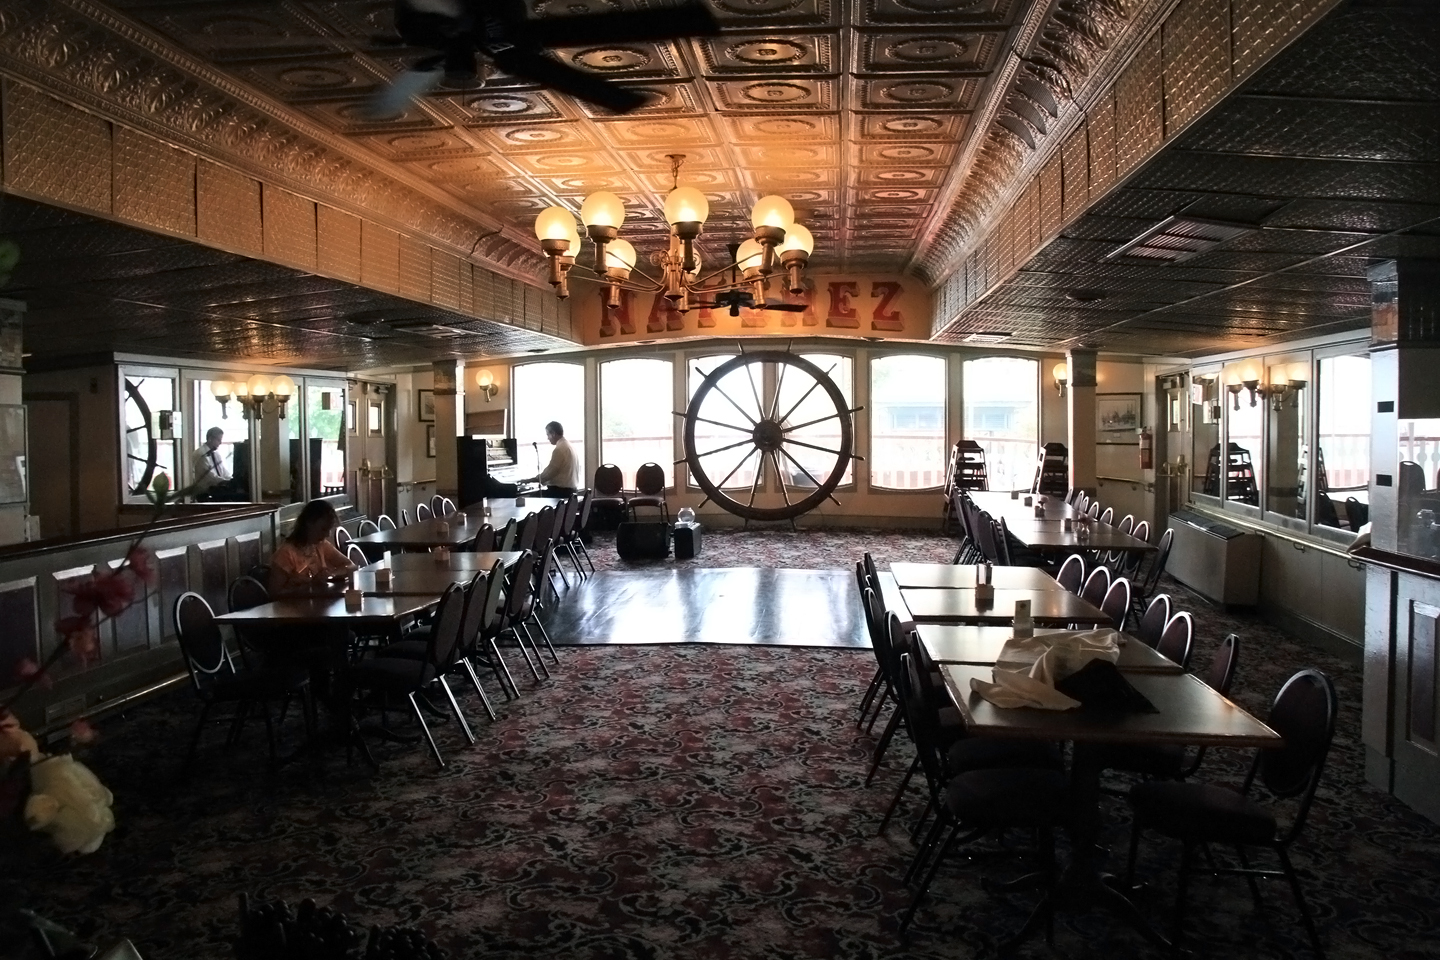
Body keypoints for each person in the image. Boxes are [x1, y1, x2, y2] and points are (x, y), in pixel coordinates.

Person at [268, 500, 358, 596]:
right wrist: (309, 585)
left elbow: (350, 566)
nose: (328, 534)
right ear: (309, 523)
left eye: (329, 529)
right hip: (296, 604)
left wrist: (331, 574)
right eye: (323, 529)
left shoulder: (321, 545)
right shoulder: (286, 554)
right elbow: (274, 594)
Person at [524, 421, 578, 497]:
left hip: (560, 492)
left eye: (548, 434)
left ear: (553, 434)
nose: (548, 438)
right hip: (571, 491)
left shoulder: (559, 449)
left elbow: (550, 472)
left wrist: (531, 480)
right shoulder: (570, 446)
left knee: (530, 497)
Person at [192, 427, 229, 498]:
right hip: (204, 494)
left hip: (217, 491)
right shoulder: (200, 454)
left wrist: (231, 480)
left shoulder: (216, 454)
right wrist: (225, 482)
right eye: (218, 440)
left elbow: (224, 471)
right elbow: (210, 476)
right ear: (210, 439)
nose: (220, 443)